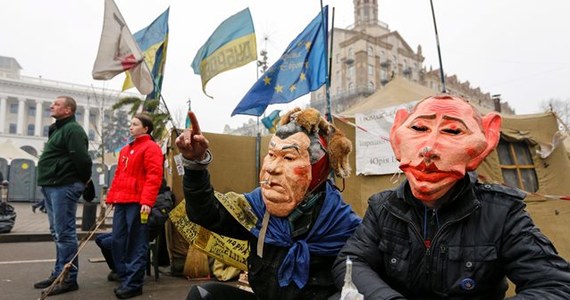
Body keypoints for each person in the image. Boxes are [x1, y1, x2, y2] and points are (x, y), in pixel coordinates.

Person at [331, 94, 570, 299]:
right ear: (396, 133)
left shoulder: (501, 212)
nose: (428, 149)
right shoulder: (384, 207)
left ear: (487, 140)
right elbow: (351, 261)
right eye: (419, 128)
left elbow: (555, 285)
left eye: (453, 131)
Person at [176, 108, 361, 300]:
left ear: (318, 169)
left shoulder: (342, 225)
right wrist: (195, 165)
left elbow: (359, 280)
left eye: (288, 158)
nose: (272, 167)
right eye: (272, 155)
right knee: (205, 294)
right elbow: (205, 213)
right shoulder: (256, 207)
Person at [34, 95, 92, 296]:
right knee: (57, 232)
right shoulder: (59, 129)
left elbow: (83, 160)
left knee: (65, 233)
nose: (51, 105)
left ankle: (68, 278)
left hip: (64, 186)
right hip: (52, 185)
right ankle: (58, 273)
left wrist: (85, 181)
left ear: (68, 110)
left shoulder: (73, 130)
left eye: (57, 104)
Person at [106, 112, 164, 299]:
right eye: (131, 124)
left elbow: (153, 177)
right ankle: (124, 276)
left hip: (138, 204)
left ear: (145, 128)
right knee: (117, 240)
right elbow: (118, 176)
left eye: (135, 124)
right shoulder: (125, 150)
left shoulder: (151, 148)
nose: (131, 127)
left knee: (136, 242)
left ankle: (134, 283)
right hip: (122, 201)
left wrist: (147, 202)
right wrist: (111, 198)